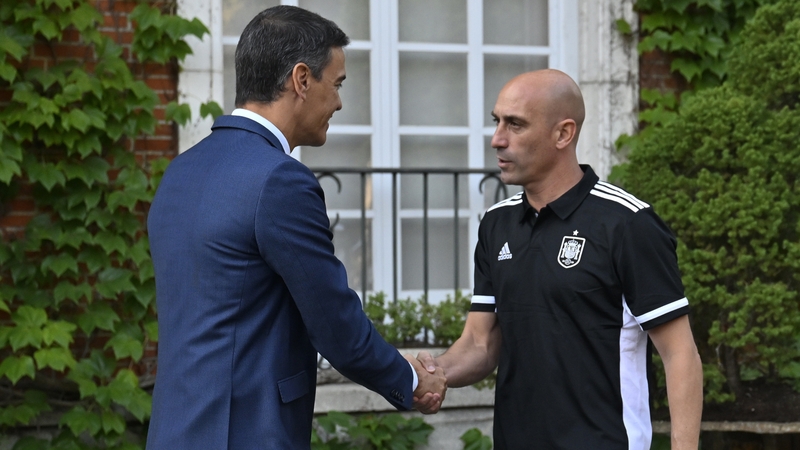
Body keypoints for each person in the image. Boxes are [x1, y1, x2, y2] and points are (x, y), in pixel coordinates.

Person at [145, 6, 445, 449]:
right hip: (246, 434)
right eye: (337, 83)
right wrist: (409, 378)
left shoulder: (179, 172)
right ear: (301, 79)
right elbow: (333, 321)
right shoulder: (280, 180)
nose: (340, 101)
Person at [415, 69, 703, 449]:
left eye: (515, 125)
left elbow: (680, 354)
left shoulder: (627, 224)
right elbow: (480, 343)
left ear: (563, 134)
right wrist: (431, 373)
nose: (497, 139)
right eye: (497, 122)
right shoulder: (496, 224)